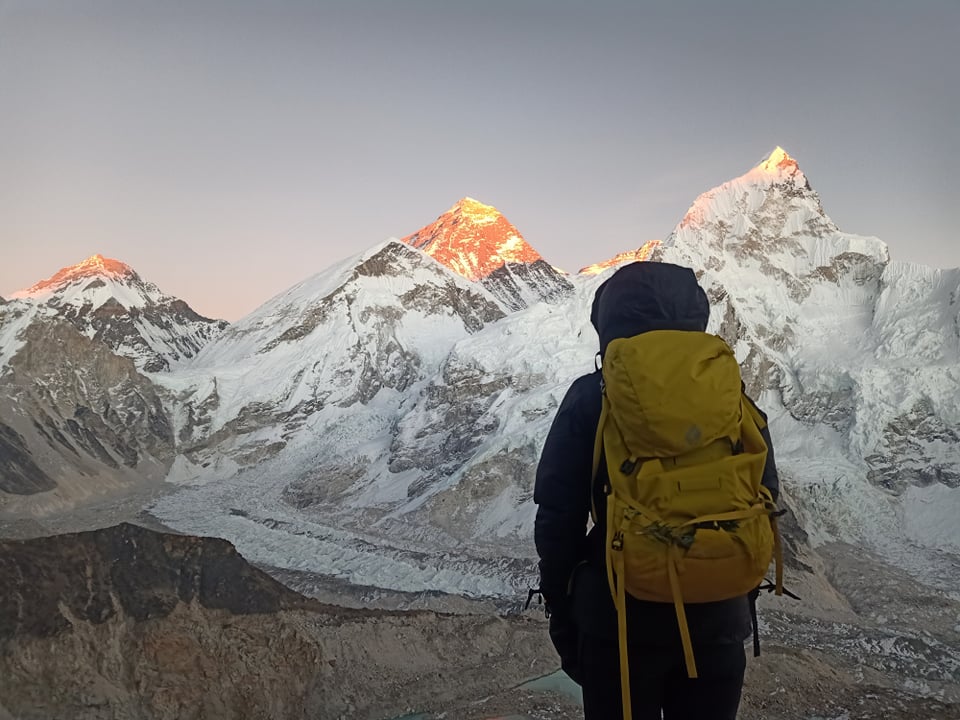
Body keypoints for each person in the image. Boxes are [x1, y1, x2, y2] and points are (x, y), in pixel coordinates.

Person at [534, 261, 780, 720]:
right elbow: (764, 493)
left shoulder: (593, 396)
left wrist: (564, 615)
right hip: (718, 619)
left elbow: (558, 516)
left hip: (619, 627)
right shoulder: (732, 397)